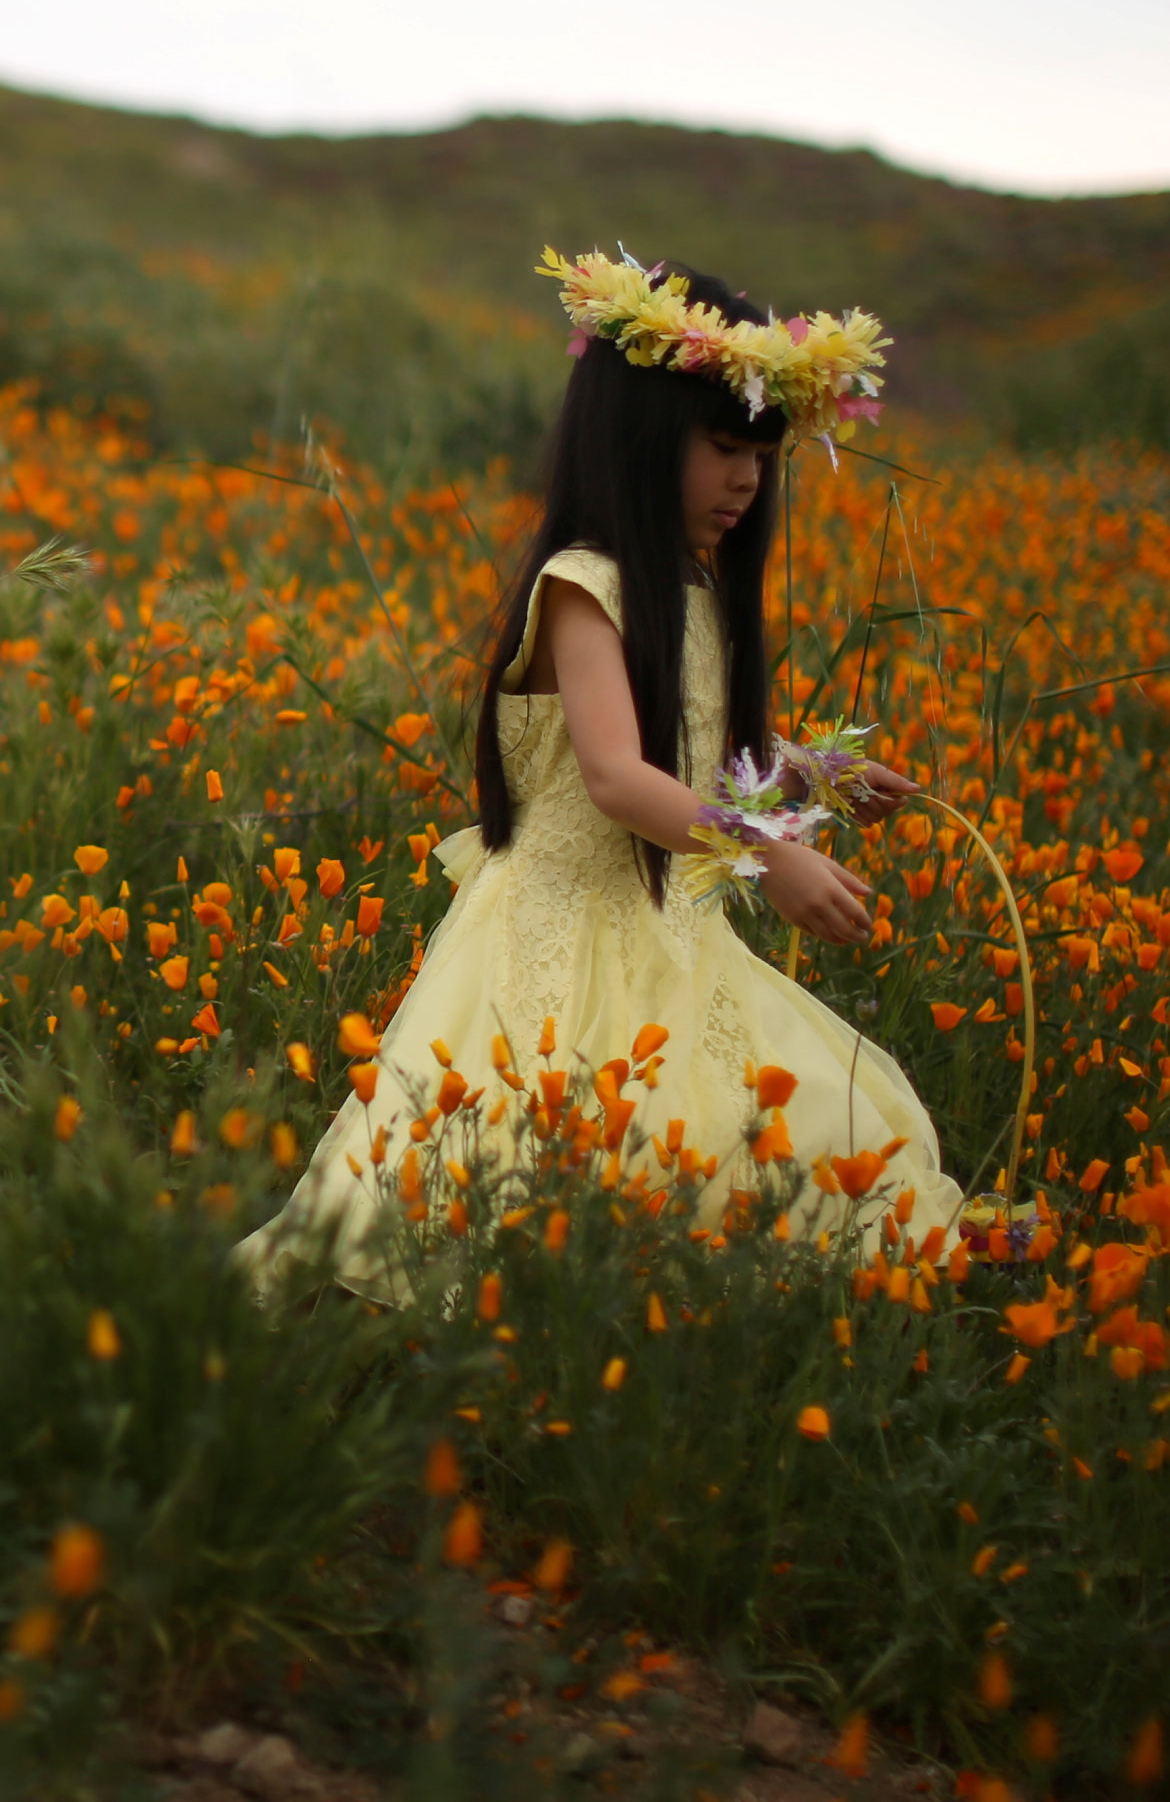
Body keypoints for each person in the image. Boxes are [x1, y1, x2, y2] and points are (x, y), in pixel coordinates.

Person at [236, 251, 960, 1303]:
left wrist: (813, 774)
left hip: (667, 932)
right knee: (520, 1158)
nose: (746, 481)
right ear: (638, 438)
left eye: (761, 455)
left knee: (783, 1134)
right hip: (557, 936)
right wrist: (769, 853)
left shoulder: (694, 592)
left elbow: (697, 753)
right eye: (721, 449)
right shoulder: (585, 587)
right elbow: (619, 779)